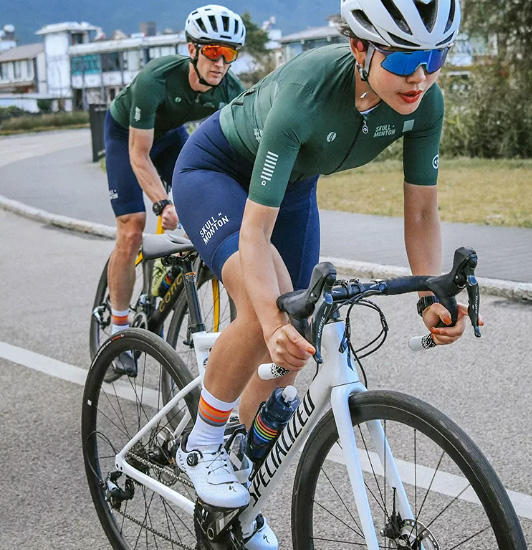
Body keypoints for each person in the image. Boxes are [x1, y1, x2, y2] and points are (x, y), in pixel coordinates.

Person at [172, 0, 473, 545]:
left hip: (293, 187)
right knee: (272, 304)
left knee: (297, 341)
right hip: (217, 173)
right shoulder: (309, 90)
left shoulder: (426, 102)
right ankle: (202, 439)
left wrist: (433, 291)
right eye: (405, 61)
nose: (422, 76)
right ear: (361, 47)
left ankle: (237, 494)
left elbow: (423, 212)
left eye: (436, 57)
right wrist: (267, 320)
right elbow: (254, 236)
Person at [103, 4, 246, 376]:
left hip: (171, 137)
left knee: (200, 208)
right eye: (213, 52)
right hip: (127, 136)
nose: (220, 63)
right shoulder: (157, 79)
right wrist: (162, 203)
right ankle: (119, 331)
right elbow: (138, 155)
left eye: (229, 54)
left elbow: (239, 153)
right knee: (133, 226)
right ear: (192, 49)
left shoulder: (231, 90)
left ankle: (161, 288)